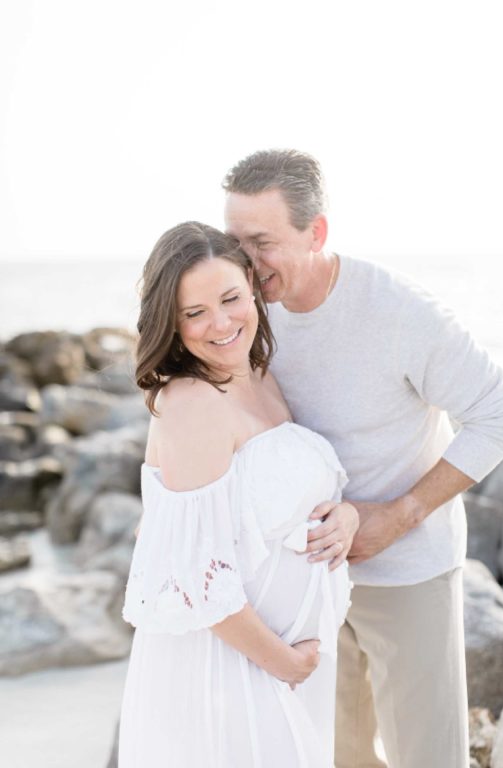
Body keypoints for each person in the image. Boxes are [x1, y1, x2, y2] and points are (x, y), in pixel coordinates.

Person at [222, 149, 503, 768]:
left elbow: (498, 414)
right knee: (337, 755)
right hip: (301, 574)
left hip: (406, 569)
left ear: (316, 232)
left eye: (262, 241)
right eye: (233, 239)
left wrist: (398, 515)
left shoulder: (404, 315)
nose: (245, 261)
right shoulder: (240, 312)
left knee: (427, 756)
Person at [119, 222, 360, 767]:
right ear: (171, 322)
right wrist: (284, 664)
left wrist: (346, 516)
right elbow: (193, 572)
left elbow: (292, 494)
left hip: (279, 664)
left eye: (230, 299)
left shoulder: (257, 375)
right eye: (195, 312)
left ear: (252, 287)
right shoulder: (190, 403)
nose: (221, 323)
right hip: (228, 668)